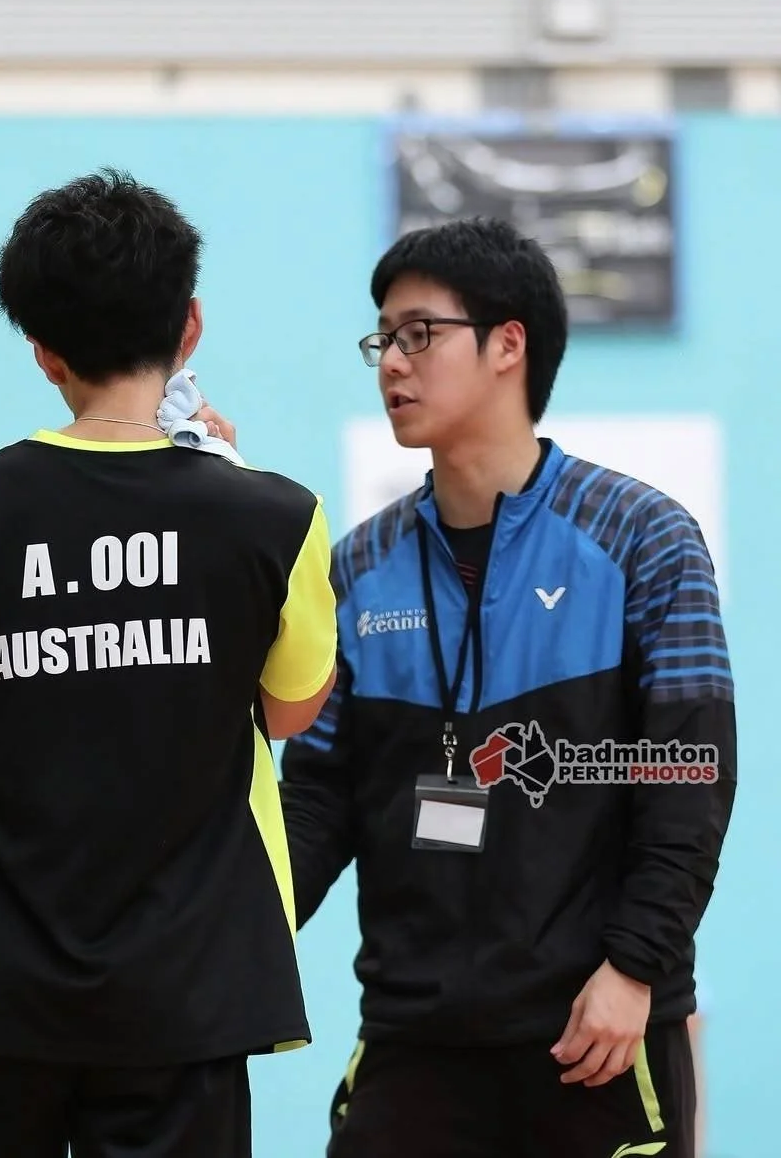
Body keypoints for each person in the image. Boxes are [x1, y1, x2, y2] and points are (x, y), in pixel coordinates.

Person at [0, 168, 338, 1158]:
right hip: (185, 996)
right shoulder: (272, 515)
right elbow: (291, 710)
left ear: (42, 350)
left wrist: (12, 700)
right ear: (190, 325)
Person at [278, 217, 737, 1158]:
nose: (391, 364)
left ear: (507, 344)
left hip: (594, 1034)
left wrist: (633, 968)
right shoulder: (359, 567)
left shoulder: (641, 538)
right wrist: (206, 925)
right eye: (382, 339)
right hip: (413, 1042)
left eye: (418, 334)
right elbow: (318, 800)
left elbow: (690, 779)